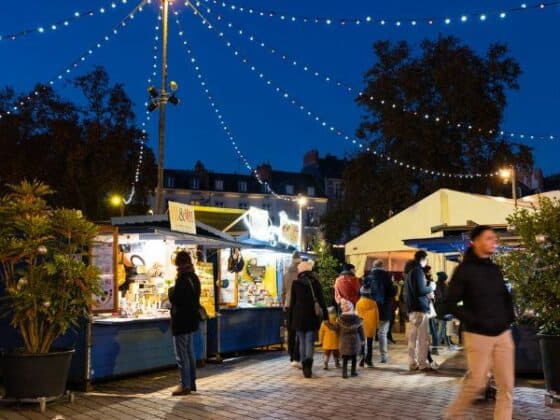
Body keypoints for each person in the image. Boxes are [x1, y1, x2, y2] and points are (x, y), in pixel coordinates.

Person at [444, 226, 515, 420]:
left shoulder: (494, 268)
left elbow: (504, 295)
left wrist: (509, 317)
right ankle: (452, 416)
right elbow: (450, 303)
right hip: (478, 334)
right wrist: (473, 320)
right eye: (489, 238)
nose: (494, 241)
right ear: (475, 242)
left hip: (502, 334)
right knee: (477, 384)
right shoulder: (464, 270)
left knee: (507, 386)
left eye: (494, 238)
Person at [168, 251, 201, 396]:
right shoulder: (194, 277)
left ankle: (185, 384)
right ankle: (191, 382)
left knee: (182, 354)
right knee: (189, 352)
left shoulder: (182, 279)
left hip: (181, 321)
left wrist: (170, 291)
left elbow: (176, 299)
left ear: (179, 263)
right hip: (191, 320)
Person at [288, 260, 328, 378]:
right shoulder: (316, 282)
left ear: (300, 271)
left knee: (301, 341)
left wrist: (290, 320)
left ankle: (304, 365)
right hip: (312, 316)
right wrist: (325, 317)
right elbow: (322, 301)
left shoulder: (296, 283)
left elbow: (292, 303)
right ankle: (308, 366)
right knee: (310, 341)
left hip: (299, 317)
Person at [404, 250, 436, 372]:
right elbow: (421, 290)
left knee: (413, 338)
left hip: (412, 308)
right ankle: (422, 363)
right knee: (423, 338)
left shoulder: (410, 271)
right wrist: (431, 287)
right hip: (420, 308)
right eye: (426, 259)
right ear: (422, 259)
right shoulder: (418, 271)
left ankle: (412, 363)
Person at [363, 260, 396, 364]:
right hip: (384, 309)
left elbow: (362, 293)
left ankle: (367, 356)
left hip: (370, 309)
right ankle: (383, 357)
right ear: (382, 266)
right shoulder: (387, 276)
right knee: (382, 333)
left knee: (369, 334)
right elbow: (392, 292)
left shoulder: (368, 277)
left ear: (373, 266)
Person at [331, 299, 365, 378]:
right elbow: (361, 330)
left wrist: (328, 324)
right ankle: (353, 372)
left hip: (344, 340)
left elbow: (335, 328)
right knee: (354, 357)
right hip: (355, 340)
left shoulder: (340, 319)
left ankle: (344, 373)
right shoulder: (357, 319)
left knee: (345, 357)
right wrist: (363, 339)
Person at [282, 251, 302, 367]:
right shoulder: (300, 274)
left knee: (290, 331)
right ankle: (296, 356)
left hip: (288, 306)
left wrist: (284, 304)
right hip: (298, 305)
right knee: (299, 331)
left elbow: (283, 292)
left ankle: (291, 355)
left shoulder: (286, 274)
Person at [355, 279, 379, 367]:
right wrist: (377, 326)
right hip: (371, 326)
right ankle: (369, 360)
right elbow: (377, 315)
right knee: (369, 344)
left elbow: (356, 315)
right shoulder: (374, 303)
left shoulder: (358, 304)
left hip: (361, 326)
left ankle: (361, 358)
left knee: (362, 342)